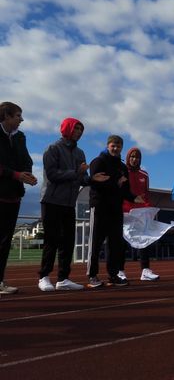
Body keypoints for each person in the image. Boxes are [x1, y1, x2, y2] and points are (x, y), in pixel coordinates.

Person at [38, 118, 102, 292]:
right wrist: (76, 172)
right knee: (51, 239)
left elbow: (81, 178)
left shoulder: (80, 153)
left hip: (69, 203)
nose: (79, 132)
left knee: (68, 241)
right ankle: (44, 276)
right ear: (67, 129)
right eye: (76, 129)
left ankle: (63, 278)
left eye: (81, 129)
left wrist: (92, 179)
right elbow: (52, 174)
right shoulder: (53, 149)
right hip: (51, 200)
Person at [86, 135, 144, 288]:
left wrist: (133, 198)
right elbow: (96, 184)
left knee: (115, 244)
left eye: (119, 146)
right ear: (108, 145)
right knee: (96, 242)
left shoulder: (122, 167)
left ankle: (113, 275)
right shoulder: (98, 162)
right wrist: (115, 183)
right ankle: (92, 276)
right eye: (113, 145)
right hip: (99, 206)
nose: (116, 148)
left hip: (116, 208)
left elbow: (124, 190)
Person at [0, 102, 38, 294]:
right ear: (6, 116)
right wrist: (16, 175)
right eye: (18, 116)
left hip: (13, 195)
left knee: (5, 241)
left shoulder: (20, 137)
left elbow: (26, 160)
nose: (21, 119)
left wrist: (28, 175)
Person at [121, 147, 160, 281]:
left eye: (137, 157)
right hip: (125, 213)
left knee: (145, 240)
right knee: (122, 242)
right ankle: (120, 271)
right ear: (128, 157)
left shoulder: (144, 174)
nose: (134, 159)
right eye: (132, 156)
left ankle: (145, 270)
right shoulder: (122, 171)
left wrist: (148, 209)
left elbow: (146, 195)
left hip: (141, 213)